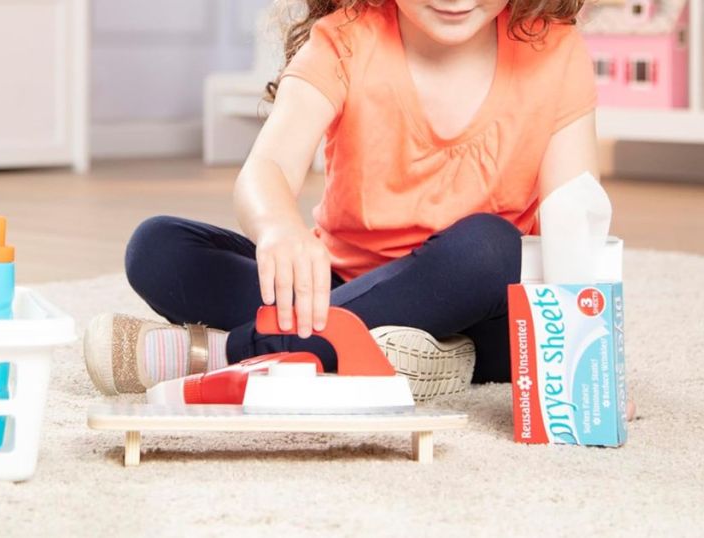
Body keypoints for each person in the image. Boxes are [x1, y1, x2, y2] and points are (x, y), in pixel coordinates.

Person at [84, 0, 602, 401]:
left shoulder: (553, 49)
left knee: (493, 248)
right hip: (340, 289)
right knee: (158, 247)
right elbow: (266, 168)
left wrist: (590, 359)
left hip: (479, 309)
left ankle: (235, 353)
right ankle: (401, 355)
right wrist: (279, 229)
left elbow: (573, 220)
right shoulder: (347, 39)